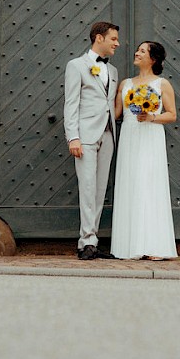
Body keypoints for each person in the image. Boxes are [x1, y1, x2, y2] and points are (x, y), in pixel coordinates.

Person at [110, 41, 178, 260]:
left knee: (149, 186)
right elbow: (116, 114)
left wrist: (152, 117)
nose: (137, 53)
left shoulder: (161, 84)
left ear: (153, 58)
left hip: (150, 136)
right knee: (130, 185)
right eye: (137, 50)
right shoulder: (125, 83)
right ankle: (129, 246)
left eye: (142, 51)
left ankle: (154, 246)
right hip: (130, 137)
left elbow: (172, 114)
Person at [63, 21, 120, 260]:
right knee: (87, 189)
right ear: (99, 38)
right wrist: (73, 137)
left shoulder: (114, 71)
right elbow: (71, 103)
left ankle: (92, 241)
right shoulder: (76, 66)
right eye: (113, 39)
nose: (117, 43)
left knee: (98, 191)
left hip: (107, 134)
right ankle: (85, 242)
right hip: (85, 136)